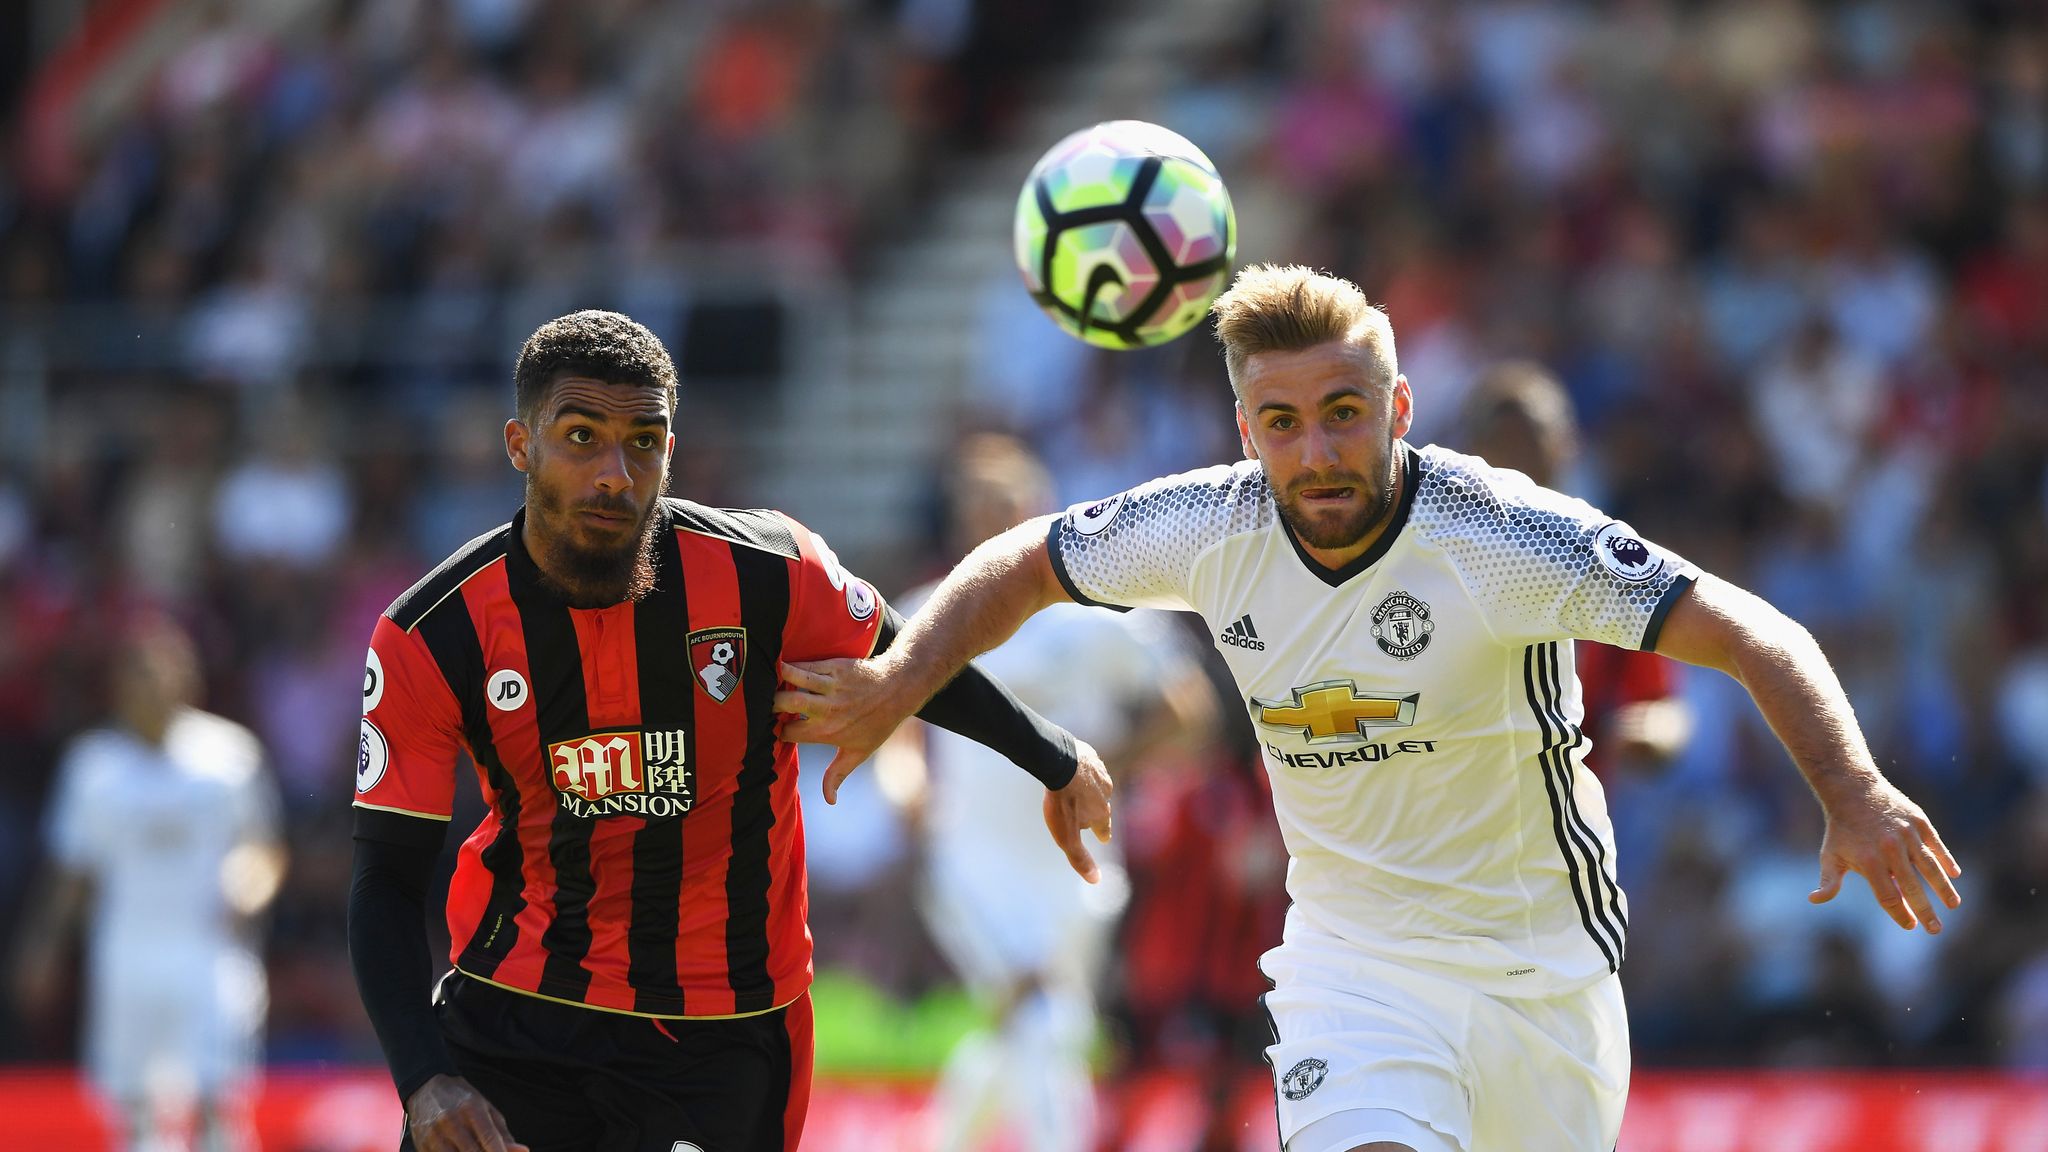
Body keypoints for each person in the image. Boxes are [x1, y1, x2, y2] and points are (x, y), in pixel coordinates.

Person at [773, 265, 1963, 1152]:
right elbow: (1023, 561)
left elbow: (1753, 630)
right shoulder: (1209, 524)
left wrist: (1850, 789)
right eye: (1281, 425)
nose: (1316, 451)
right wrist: (897, 678)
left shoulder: (1498, 536)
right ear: (1247, 433)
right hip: (1354, 968)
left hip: (1537, 975)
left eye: (1343, 412)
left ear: (1396, 409)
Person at [346, 310, 1112, 1152]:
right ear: (520, 445)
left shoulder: (770, 571)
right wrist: (423, 1078)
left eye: (644, 441)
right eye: (580, 436)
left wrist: (1055, 757)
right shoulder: (433, 631)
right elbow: (386, 876)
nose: (614, 472)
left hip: (727, 1029)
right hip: (517, 1018)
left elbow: (913, 660)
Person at [889, 434, 1216, 1152]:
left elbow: (1190, 715)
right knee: (1042, 1018)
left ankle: (936, 1142)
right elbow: (899, 734)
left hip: (1074, 861)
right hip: (971, 860)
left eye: (1004, 508)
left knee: (1040, 1025)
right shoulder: (926, 615)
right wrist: (909, 790)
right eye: (976, 512)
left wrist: (1102, 767)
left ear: (1038, 510)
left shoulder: (1103, 619)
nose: (990, 527)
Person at [13, 617, 285, 1152]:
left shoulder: (229, 757)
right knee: (134, 1109)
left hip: (210, 955)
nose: (151, 686)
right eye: (138, 674)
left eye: (163, 672)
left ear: (189, 680)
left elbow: (263, 848)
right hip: (127, 957)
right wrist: (42, 945)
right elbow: (74, 869)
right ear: (118, 686)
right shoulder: (92, 767)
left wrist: (250, 886)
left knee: (217, 1102)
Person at [1459, 361, 1691, 779]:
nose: (1521, 460)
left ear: (1566, 446)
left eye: (1534, 440)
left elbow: (1661, 702)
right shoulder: (1445, 561)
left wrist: (1654, 734)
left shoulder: (1609, 562)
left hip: (1578, 816)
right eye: (1505, 443)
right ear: (1474, 452)